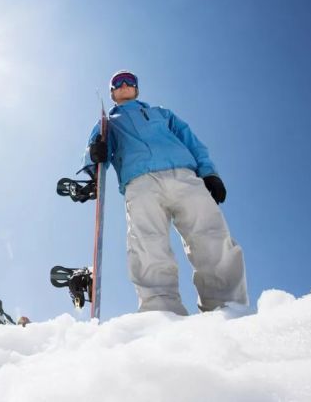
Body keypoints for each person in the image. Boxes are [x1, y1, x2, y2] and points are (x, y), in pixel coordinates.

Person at [82, 70, 248, 315]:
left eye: (130, 81)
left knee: (210, 234)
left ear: (137, 89)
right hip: (140, 182)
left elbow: (191, 140)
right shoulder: (109, 122)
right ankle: (161, 311)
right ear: (113, 92)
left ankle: (227, 306)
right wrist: (94, 159)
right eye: (118, 82)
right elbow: (96, 150)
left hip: (184, 174)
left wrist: (209, 172)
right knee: (148, 243)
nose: (125, 84)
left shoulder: (162, 113)